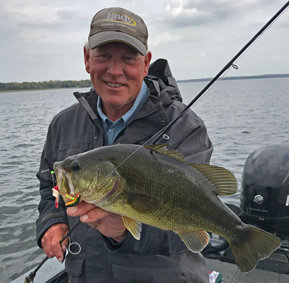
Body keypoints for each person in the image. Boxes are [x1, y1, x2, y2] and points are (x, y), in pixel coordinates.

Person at [36, 7, 213, 283]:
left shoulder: (185, 128)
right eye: (103, 56)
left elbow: (197, 221)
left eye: (128, 58)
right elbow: (51, 185)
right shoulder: (63, 125)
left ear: (146, 63)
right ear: (87, 58)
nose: (114, 71)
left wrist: (124, 231)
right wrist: (52, 221)